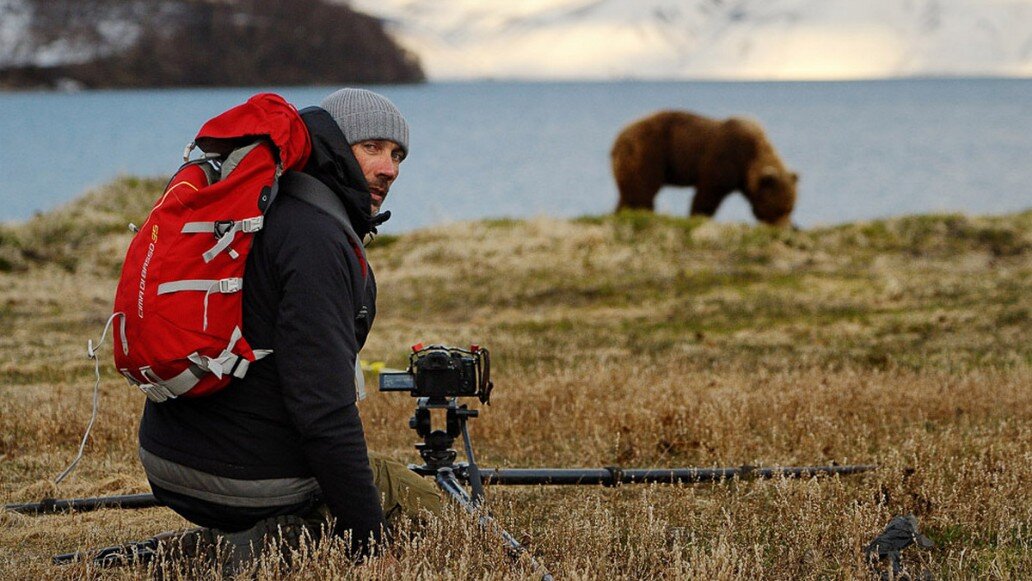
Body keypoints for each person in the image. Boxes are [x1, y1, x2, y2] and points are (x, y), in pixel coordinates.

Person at [137, 88, 442, 558]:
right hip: (240, 479)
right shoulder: (317, 238)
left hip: (167, 459)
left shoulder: (265, 206)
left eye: (398, 153)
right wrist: (368, 542)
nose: (390, 169)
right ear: (336, 147)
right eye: (372, 148)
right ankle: (238, 549)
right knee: (425, 506)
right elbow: (323, 411)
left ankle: (228, 537)